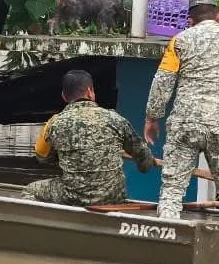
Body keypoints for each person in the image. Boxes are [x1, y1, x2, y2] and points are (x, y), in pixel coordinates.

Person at [143, 0, 219, 222]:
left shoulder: (179, 41)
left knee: (172, 192)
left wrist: (152, 118)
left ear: (190, 19)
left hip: (185, 126)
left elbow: (163, 80)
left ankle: (167, 237)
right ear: (218, 16)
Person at [21, 69, 157, 206]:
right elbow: (144, 160)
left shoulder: (54, 123)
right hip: (113, 196)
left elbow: (42, 158)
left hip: (72, 196)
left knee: (30, 191)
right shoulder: (116, 119)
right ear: (90, 91)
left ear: (64, 96)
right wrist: (146, 163)